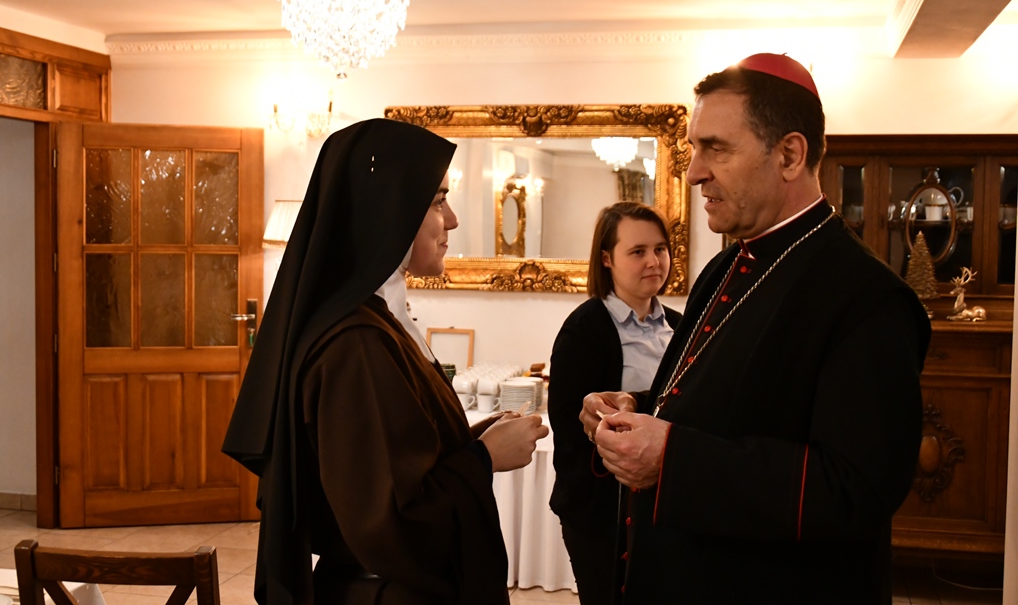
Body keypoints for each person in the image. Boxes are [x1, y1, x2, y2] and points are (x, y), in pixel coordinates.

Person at [579, 53, 930, 604]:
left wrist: (673, 458)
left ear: (789, 154)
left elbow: (855, 489)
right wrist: (639, 409)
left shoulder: (867, 297)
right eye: (693, 148)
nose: (694, 171)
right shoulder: (725, 265)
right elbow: (738, 403)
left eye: (715, 148)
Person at [223, 118, 548, 605]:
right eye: (438, 201)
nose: (453, 220)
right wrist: (484, 459)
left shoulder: (377, 320)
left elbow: (392, 458)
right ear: (390, 210)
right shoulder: (356, 345)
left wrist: (474, 440)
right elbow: (392, 521)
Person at [548, 202, 681, 605]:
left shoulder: (681, 324)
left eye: (660, 249)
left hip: (670, 501)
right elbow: (568, 427)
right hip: (605, 511)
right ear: (606, 258)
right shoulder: (584, 329)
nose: (654, 261)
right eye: (638, 251)